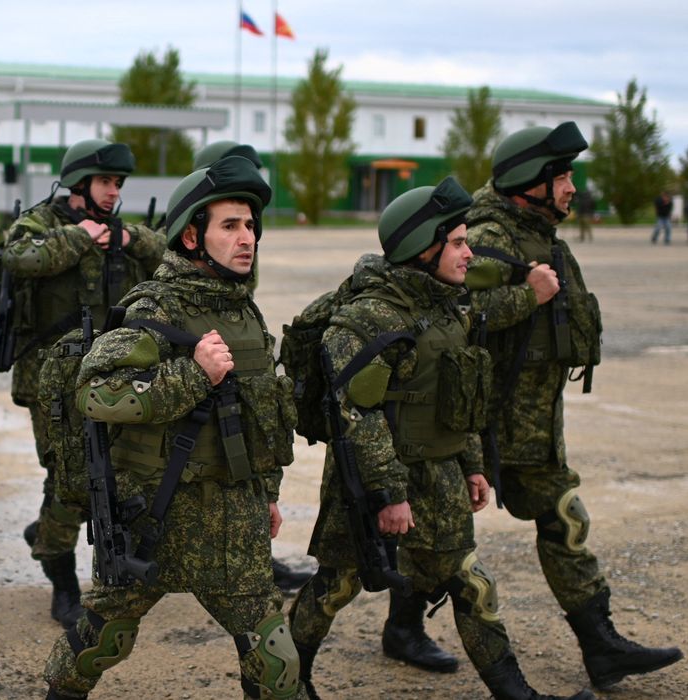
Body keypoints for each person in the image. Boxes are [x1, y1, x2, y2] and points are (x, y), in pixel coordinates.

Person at [288, 178, 594, 700]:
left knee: (472, 585)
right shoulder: (367, 318)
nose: (469, 252)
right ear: (421, 247)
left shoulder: (450, 308)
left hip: (441, 476)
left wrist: (473, 463)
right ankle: (286, 683)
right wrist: (388, 495)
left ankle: (517, 693)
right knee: (336, 586)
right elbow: (355, 416)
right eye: (457, 242)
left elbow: (463, 399)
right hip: (372, 482)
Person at [42, 156, 303, 700]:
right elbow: (94, 393)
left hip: (235, 517)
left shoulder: (244, 313)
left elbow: (260, 416)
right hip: (155, 514)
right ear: (191, 236)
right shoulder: (154, 307)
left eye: (250, 225)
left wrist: (267, 493)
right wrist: (193, 374)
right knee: (99, 643)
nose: (246, 237)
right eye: (229, 225)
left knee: (276, 662)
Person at [465, 123, 682, 690]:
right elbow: (451, 318)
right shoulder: (487, 236)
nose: (570, 187)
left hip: (533, 427)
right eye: (559, 176)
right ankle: (403, 626)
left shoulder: (539, 235)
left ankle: (600, 642)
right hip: (476, 424)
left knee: (564, 519)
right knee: (436, 537)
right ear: (525, 183)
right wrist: (525, 295)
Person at [2, 138, 166, 630]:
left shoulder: (121, 231)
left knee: (116, 475)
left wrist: (129, 240)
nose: (114, 192)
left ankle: (76, 550)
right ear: (78, 184)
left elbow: (168, 254)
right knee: (71, 481)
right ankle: (62, 578)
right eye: (105, 182)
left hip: (109, 377)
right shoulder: (42, 223)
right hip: (50, 379)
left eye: (118, 184)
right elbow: (18, 256)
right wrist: (81, 238)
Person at [192, 140, 314, 594]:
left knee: (249, 443)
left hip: (235, 341)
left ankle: (256, 559)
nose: (246, 233)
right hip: (199, 348)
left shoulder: (241, 235)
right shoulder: (189, 229)